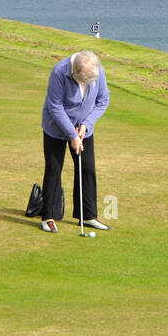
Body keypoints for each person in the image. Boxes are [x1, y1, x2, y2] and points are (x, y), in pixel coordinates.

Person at [39, 50, 110, 233]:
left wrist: (86, 125)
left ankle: (87, 215)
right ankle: (48, 216)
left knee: (87, 169)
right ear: (75, 72)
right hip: (55, 127)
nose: (85, 84)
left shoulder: (97, 69)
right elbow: (55, 106)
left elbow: (102, 100)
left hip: (83, 129)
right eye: (83, 80)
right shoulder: (59, 72)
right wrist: (72, 135)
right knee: (54, 169)